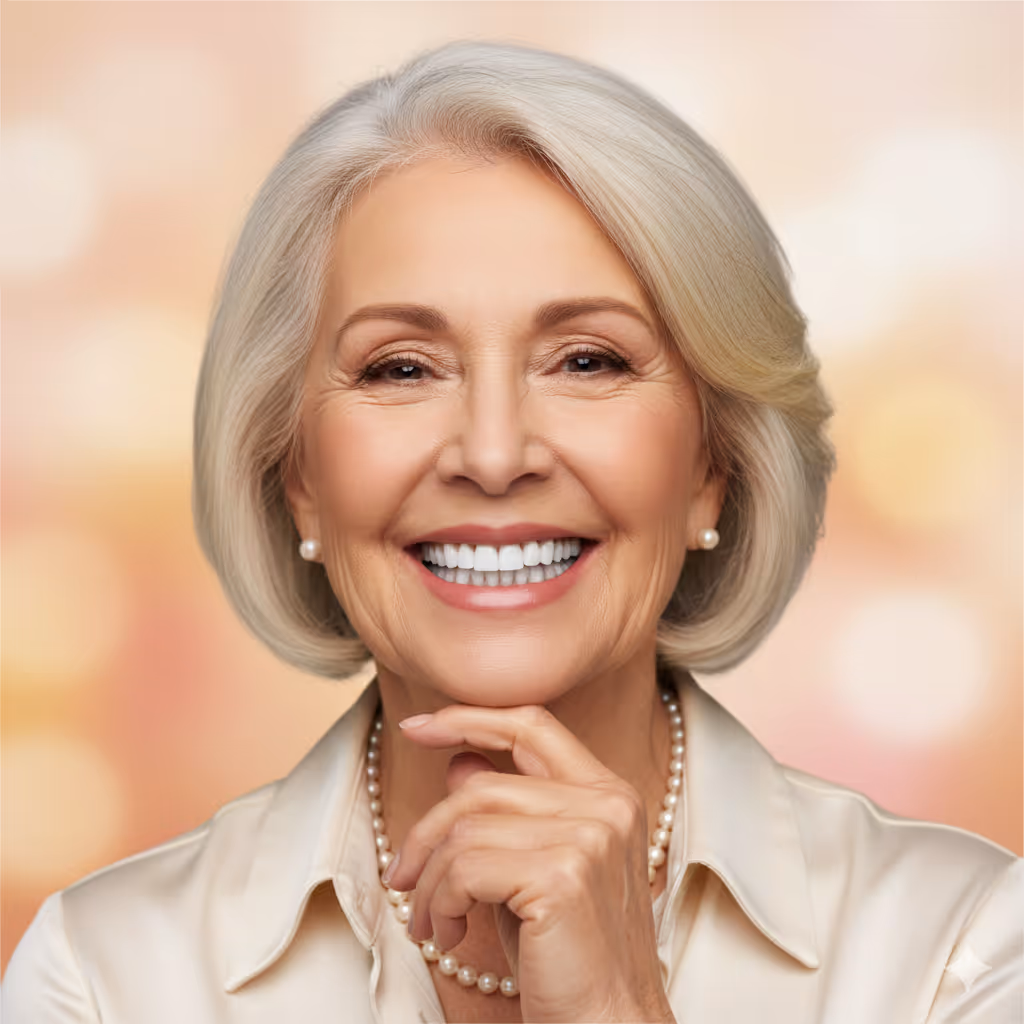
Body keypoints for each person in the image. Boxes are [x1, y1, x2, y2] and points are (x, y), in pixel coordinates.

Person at [3, 38, 1020, 1024]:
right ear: (299, 477)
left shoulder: (960, 950)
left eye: (587, 360)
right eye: (401, 367)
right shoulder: (104, 979)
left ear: (713, 467)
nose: (492, 455)